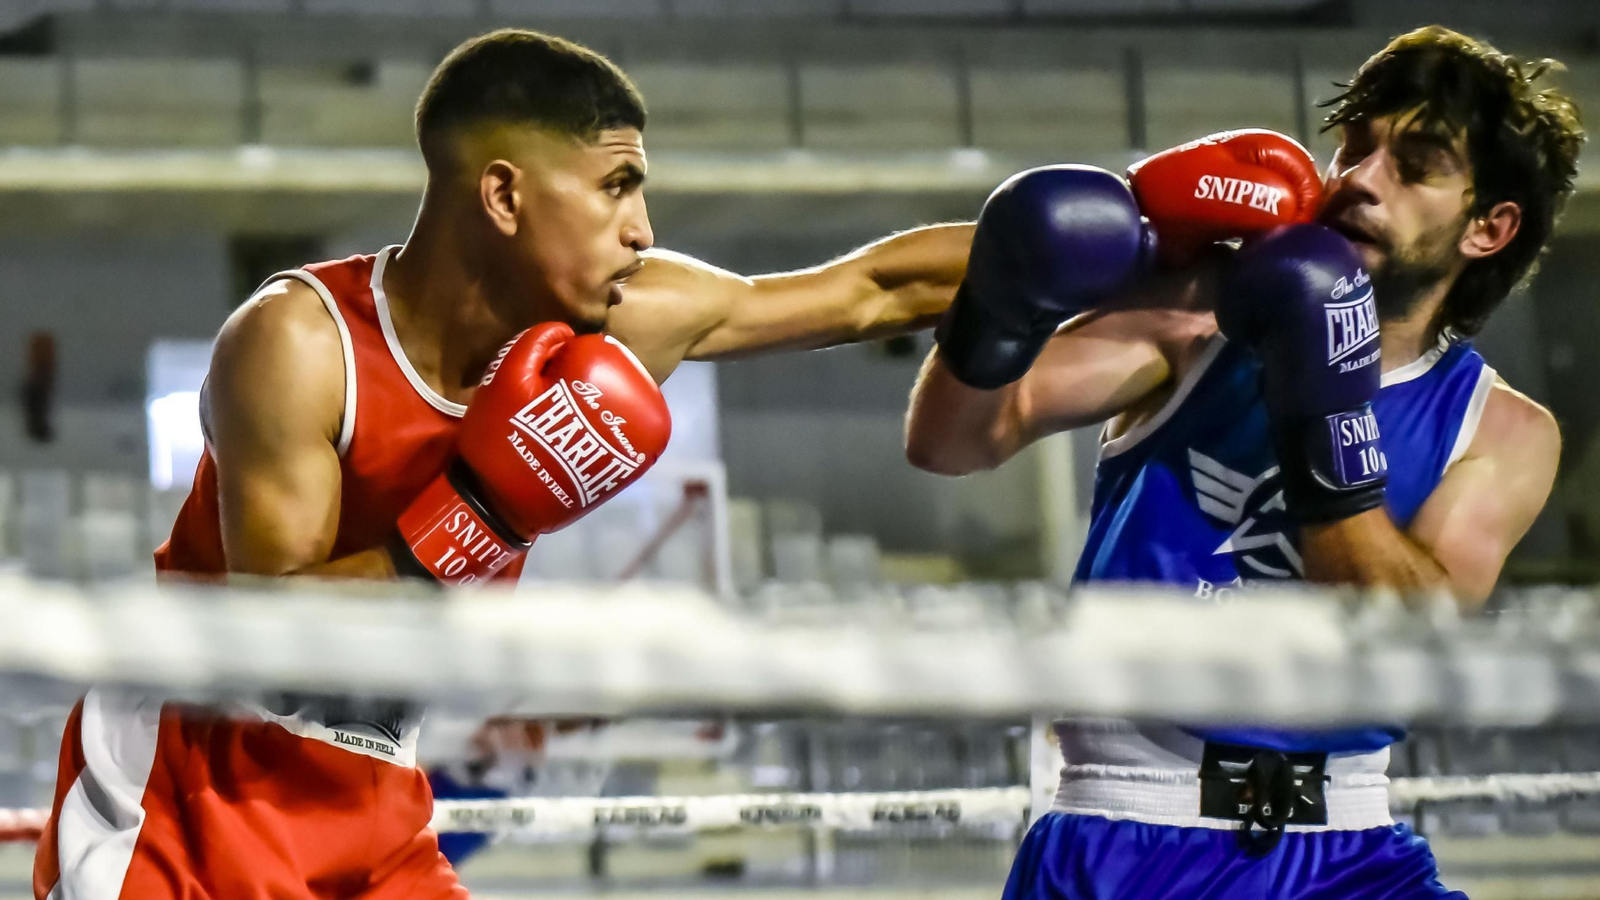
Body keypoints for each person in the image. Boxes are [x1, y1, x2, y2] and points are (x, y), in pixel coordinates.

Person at [34, 28, 971, 900]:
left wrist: (1097, 244)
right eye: (617, 186)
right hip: (195, 794)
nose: (642, 228)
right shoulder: (301, 342)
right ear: (504, 195)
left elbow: (868, 293)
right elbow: (278, 653)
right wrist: (477, 515)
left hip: (375, 785)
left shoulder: (621, 319)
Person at [906, 26, 1582, 899]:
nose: (1360, 182)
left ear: (1488, 228)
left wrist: (1325, 406)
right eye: (1354, 150)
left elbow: (1407, 636)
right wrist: (998, 307)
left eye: (1414, 166)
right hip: (1132, 829)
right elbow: (952, 441)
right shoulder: (1199, 318)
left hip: (1350, 851)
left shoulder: (1501, 429)